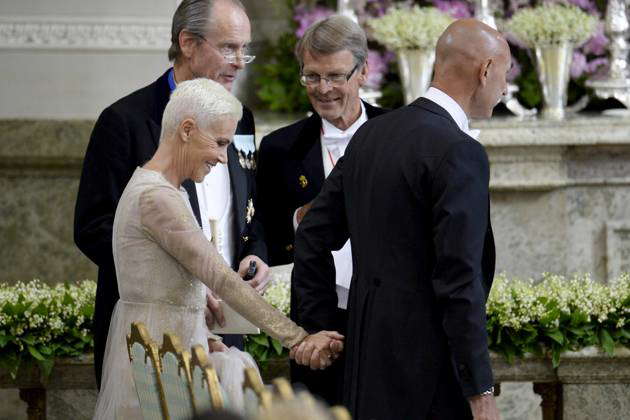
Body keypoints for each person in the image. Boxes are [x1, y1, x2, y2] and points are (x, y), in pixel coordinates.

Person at [291, 19, 507, 419]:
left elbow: (311, 236)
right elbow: (459, 279)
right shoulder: (460, 151)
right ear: (486, 70)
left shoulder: (373, 134)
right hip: (430, 380)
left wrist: (319, 325)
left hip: (364, 367)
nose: (505, 89)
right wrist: (480, 390)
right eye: (505, 75)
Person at [93, 78, 344, 419]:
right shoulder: (157, 197)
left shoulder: (163, 189)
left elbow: (170, 285)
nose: (224, 159)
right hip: (162, 360)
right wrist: (298, 338)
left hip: (170, 348)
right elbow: (221, 278)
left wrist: (202, 327)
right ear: (186, 129)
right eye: (220, 143)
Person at [74, 0, 268, 388]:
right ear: (188, 43)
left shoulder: (240, 116)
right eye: (228, 47)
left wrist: (256, 255)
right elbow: (94, 227)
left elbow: (248, 211)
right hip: (151, 334)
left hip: (224, 326)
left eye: (243, 48)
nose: (239, 61)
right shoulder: (125, 121)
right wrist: (189, 284)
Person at [255, 15, 386, 405]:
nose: (323, 89)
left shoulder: (397, 132)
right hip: (317, 319)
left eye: (334, 76)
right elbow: (265, 236)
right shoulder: (281, 148)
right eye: (312, 76)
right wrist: (302, 219)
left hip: (386, 316)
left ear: (363, 72)